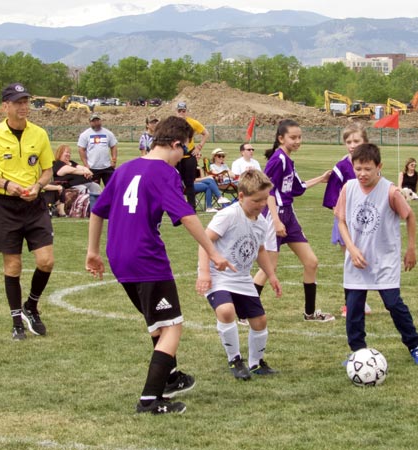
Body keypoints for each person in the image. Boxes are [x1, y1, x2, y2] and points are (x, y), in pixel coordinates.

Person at [85, 115, 233, 415]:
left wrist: (92, 252)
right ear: (176, 144)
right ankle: (150, 400)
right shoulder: (165, 172)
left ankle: (171, 377)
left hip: (119, 257)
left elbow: (98, 210)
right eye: (185, 151)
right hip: (146, 257)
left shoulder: (125, 167)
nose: (185, 158)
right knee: (173, 327)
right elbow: (188, 216)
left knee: (157, 323)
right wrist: (213, 252)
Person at [0, 82, 55, 341]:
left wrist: (39, 185)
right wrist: (6, 184)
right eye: (18, 102)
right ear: (5, 106)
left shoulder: (39, 134)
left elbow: (47, 170)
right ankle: (16, 320)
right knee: (13, 265)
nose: (23, 106)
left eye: (25, 101)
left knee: (46, 261)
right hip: (6, 206)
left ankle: (32, 305)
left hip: (35, 205)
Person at [335, 143, 418, 366]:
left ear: (379, 167)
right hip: (357, 261)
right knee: (354, 308)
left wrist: (411, 248)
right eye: (358, 168)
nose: (362, 174)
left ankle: (414, 345)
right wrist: (351, 248)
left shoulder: (390, 191)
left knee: (394, 304)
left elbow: (410, 217)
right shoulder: (348, 188)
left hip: (384, 259)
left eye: (367, 168)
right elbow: (341, 220)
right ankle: (358, 351)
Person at [196, 169, 283, 380]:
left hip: (243, 279)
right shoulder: (228, 215)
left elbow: (260, 250)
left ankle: (256, 363)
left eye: (265, 200)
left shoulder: (261, 223)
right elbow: (205, 241)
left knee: (260, 321)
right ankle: (234, 359)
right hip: (220, 277)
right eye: (256, 200)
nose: (262, 204)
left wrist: (271, 275)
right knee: (226, 311)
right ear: (241, 196)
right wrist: (204, 273)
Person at [252, 119, 334, 322]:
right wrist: (277, 221)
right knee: (269, 267)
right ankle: (247, 313)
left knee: (311, 262)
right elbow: (267, 190)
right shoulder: (277, 159)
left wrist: (321, 179)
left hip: (289, 214)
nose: (298, 141)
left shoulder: (288, 160)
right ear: (281, 138)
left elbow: (298, 187)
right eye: (293, 137)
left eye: (300, 137)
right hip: (274, 215)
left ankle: (310, 313)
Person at [322, 123, 372, 318]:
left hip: (366, 222)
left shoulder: (371, 165)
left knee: (365, 261)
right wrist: (342, 217)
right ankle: (349, 304)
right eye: (348, 141)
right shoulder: (342, 167)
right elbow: (332, 198)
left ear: (365, 142)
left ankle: (362, 301)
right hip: (346, 223)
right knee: (350, 262)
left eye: (356, 141)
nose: (352, 145)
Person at [176, 102, 209, 208]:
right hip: (176, 157)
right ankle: (177, 205)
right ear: (176, 112)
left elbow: (205, 133)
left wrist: (199, 147)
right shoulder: (173, 123)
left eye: (183, 111)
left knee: (189, 183)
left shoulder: (192, 123)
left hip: (189, 156)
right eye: (180, 111)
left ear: (186, 111)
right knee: (175, 183)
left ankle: (191, 207)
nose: (182, 113)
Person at [77, 113, 118, 187]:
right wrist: (86, 164)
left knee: (112, 189)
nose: (96, 123)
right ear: (90, 122)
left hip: (107, 167)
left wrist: (114, 160)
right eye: (94, 121)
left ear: (101, 121)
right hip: (92, 168)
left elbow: (113, 146)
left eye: (98, 121)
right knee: (94, 191)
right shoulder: (85, 135)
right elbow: (81, 150)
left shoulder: (108, 133)